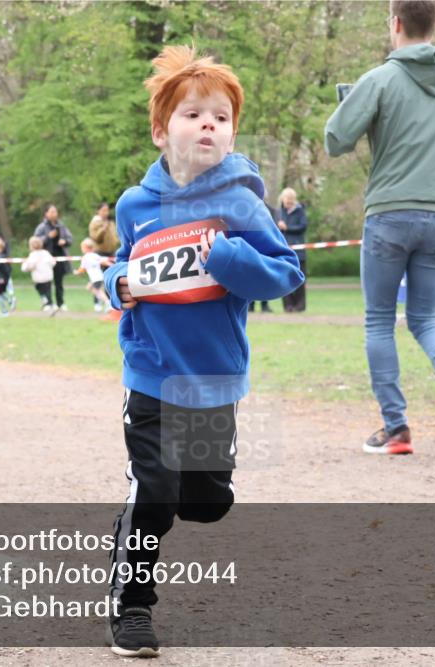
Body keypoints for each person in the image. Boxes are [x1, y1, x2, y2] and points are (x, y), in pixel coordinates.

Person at [101, 45, 303, 657]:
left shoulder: (241, 204)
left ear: (232, 131)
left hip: (213, 377)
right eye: (193, 114)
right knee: (156, 492)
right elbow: (117, 267)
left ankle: (162, 500)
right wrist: (119, 284)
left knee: (207, 504)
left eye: (220, 115)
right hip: (152, 373)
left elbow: (284, 274)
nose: (207, 123)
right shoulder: (136, 205)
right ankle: (132, 606)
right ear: (163, 130)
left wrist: (225, 254)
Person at [325, 0, 435, 455]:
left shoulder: (379, 80)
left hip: (390, 215)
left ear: (395, 23)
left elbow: (335, 141)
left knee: (379, 321)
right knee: (427, 319)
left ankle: (396, 429)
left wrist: (356, 104)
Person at [34, 205, 73, 311]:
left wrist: (65, 241)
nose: (54, 214)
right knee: (46, 282)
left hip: (60, 258)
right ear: (46, 214)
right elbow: (35, 241)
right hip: (46, 259)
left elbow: (70, 238)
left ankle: (61, 303)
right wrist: (48, 237)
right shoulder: (41, 227)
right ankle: (48, 303)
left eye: (55, 212)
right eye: (51, 212)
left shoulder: (62, 226)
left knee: (59, 282)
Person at [277, 188, 309, 312]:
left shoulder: (300, 211)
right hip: (284, 250)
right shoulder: (279, 212)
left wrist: (287, 227)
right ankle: (288, 306)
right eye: (286, 201)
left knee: (300, 278)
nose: (288, 204)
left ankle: (300, 306)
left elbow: (303, 227)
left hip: (299, 251)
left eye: (290, 201)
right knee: (285, 278)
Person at [21, 236, 55, 312]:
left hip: (39, 278)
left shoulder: (33, 255)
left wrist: (24, 266)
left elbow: (30, 265)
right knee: (48, 291)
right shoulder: (46, 253)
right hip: (48, 276)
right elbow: (53, 262)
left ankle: (47, 304)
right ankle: (50, 303)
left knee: (41, 291)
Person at [76, 238, 107, 311]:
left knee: (98, 291)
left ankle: (107, 303)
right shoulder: (95, 255)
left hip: (95, 278)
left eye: (82, 248)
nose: (82, 249)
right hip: (99, 276)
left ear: (86, 248)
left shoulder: (85, 257)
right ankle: (101, 301)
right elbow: (104, 261)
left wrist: (77, 272)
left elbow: (82, 269)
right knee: (89, 287)